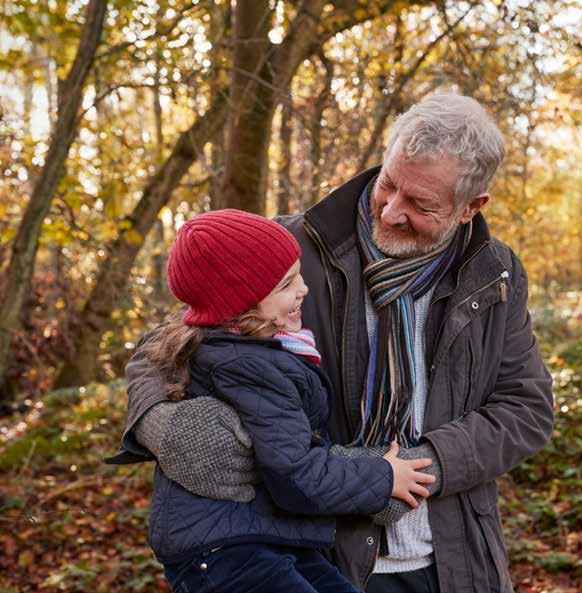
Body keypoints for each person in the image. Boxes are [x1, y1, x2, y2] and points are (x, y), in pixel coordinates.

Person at [109, 93, 554, 593]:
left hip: (450, 558)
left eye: (421, 204)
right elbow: (166, 344)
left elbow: (526, 407)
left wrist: (417, 465)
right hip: (318, 554)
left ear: (471, 206)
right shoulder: (291, 246)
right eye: (389, 184)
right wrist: (159, 423)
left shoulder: (495, 274)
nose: (390, 211)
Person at [136, 209, 436, 593]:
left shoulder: (247, 345)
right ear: (240, 302)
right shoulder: (249, 365)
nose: (303, 290)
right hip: (227, 551)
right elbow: (296, 475)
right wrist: (384, 476)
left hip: (267, 535)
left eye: (298, 274)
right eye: (286, 284)